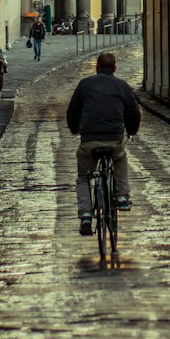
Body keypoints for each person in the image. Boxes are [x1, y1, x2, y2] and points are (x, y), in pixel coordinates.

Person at [66, 51, 140, 236]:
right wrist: (131, 131)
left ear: (97, 67)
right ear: (114, 68)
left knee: (83, 177)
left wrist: (75, 129)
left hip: (89, 140)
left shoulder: (85, 85)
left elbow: (72, 111)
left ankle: (85, 215)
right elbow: (133, 112)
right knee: (120, 159)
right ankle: (122, 196)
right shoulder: (122, 86)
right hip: (114, 138)